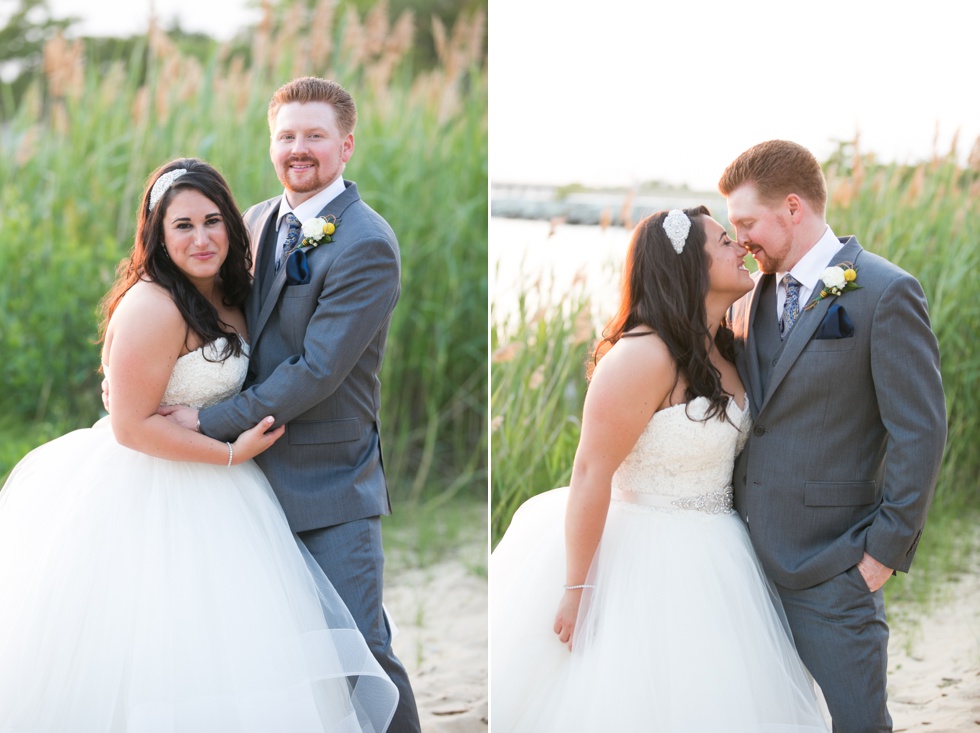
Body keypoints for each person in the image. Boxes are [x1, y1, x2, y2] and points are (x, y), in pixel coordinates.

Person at [0, 158, 398, 731]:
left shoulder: (230, 291)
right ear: (158, 236)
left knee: (245, 645)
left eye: (213, 221)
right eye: (182, 226)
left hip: (233, 495)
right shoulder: (153, 304)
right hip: (155, 487)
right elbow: (131, 426)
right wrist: (229, 453)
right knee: (161, 644)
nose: (202, 237)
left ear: (234, 226)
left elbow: (302, 358)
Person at [490, 207, 829, 732]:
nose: (740, 247)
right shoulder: (640, 357)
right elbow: (590, 473)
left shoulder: (727, 350)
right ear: (689, 266)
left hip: (722, 554)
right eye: (723, 241)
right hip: (644, 556)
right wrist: (577, 589)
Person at [157, 77, 420, 732]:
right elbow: (204, 308)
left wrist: (206, 420)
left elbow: (318, 370)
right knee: (271, 652)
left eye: (314, 136)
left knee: (359, 650)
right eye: (286, 136)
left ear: (346, 144)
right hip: (248, 485)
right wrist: (146, 369)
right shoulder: (254, 220)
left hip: (330, 482)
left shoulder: (365, 243)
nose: (298, 149)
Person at [719, 139, 947, 732]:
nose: (739, 238)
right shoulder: (748, 298)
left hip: (834, 567)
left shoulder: (885, 292)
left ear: (792, 208)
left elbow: (919, 433)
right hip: (742, 566)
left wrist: (881, 556)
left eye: (746, 222)